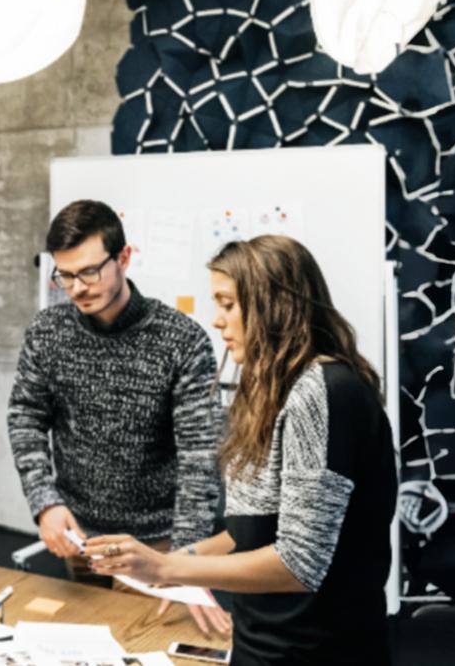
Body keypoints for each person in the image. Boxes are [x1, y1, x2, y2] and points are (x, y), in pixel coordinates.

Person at [88, 235, 397, 666]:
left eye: (228, 305)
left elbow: (298, 564)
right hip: (260, 645)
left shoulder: (325, 392)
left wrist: (164, 569)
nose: (217, 321)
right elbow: (247, 533)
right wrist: (165, 562)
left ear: (274, 306)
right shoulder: (271, 390)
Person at [8, 200, 223, 585]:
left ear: (123, 258)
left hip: (158, 545)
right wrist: (44, 502)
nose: (77, 288)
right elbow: (26, 418)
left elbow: (200, 457)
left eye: (89, 272)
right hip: (81, 538)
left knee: (149, 627)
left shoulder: (183, 341)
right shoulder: (47, 332)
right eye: (65, 275)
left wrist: (185, 560)